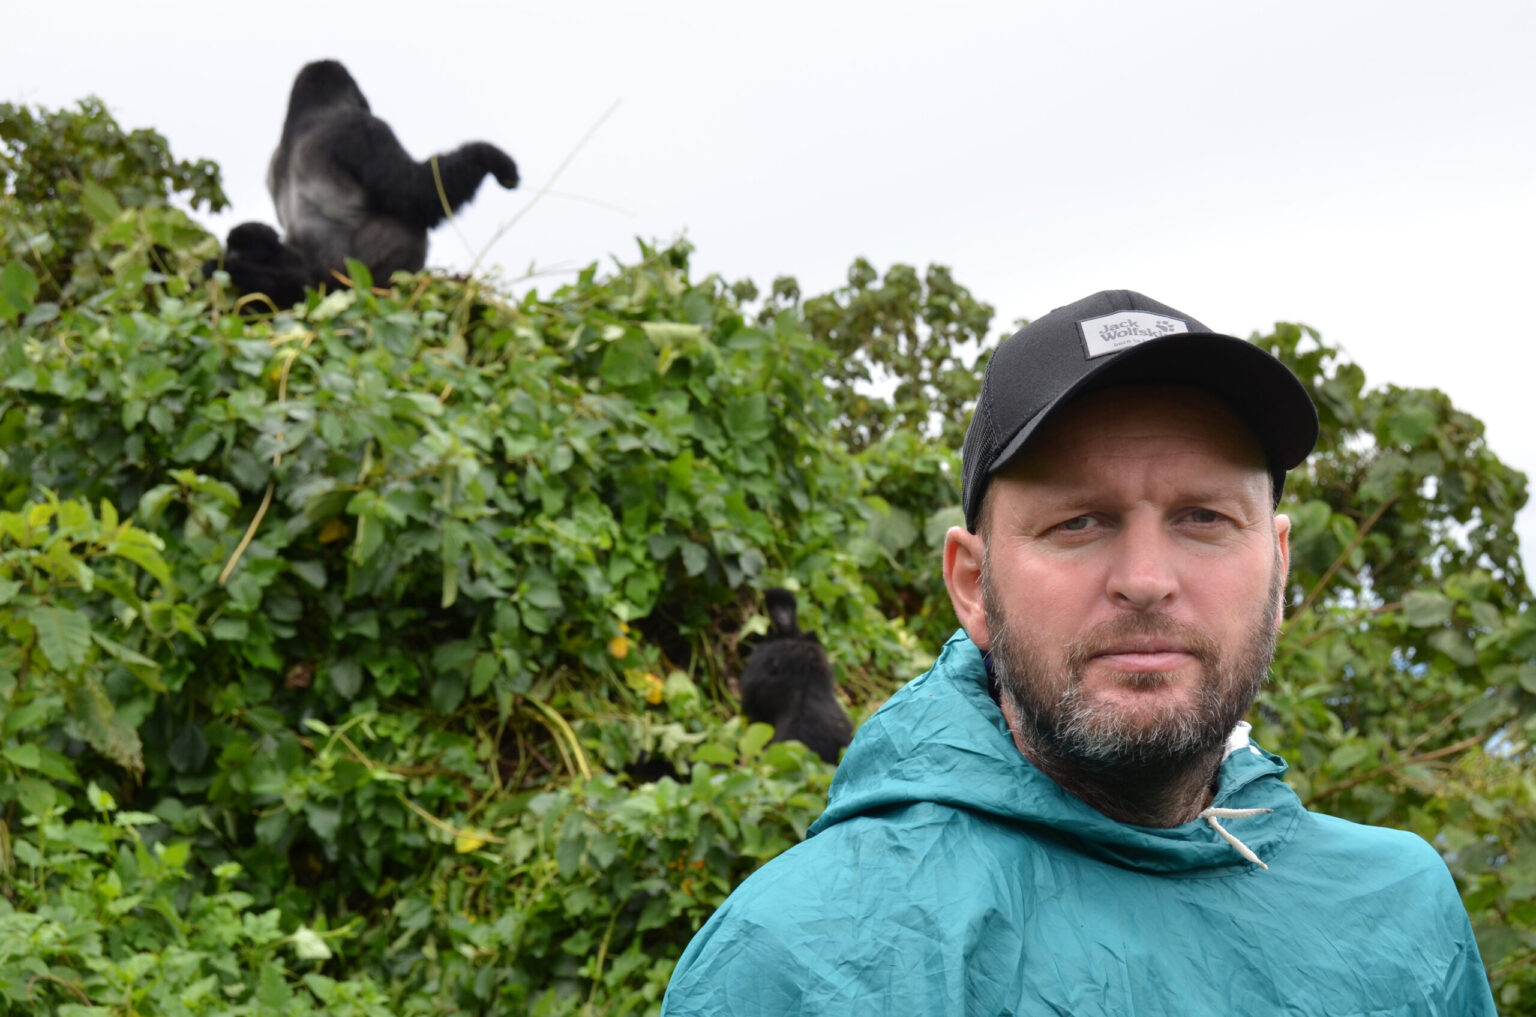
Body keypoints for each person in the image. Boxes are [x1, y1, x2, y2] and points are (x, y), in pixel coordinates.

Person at [660, 290, 1496, 1015]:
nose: (1145, 580)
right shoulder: (795, 957)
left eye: (1203, 517)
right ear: (974, 585)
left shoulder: (1402, 911)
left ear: (1278, 564)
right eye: (1078, 522)